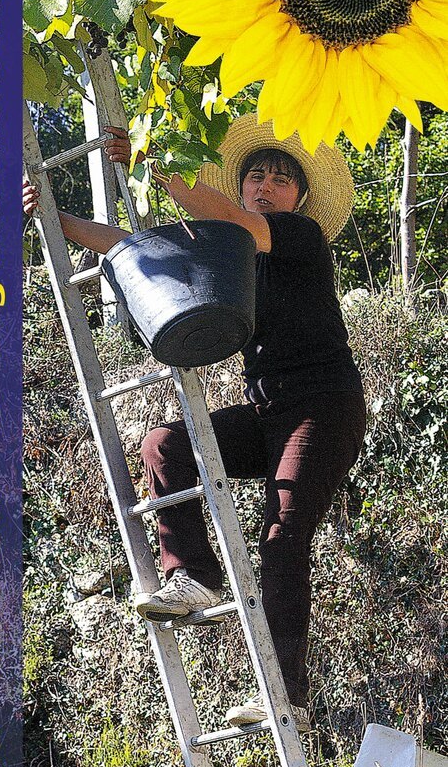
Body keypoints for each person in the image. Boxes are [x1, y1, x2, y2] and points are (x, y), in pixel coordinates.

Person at [23, 115, 365, 732]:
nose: (266, 186)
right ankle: (194, 575)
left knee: (284, 533)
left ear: (299, 197)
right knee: (165, 445)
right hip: (267, 410)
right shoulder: (230, 251)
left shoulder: (299, 236)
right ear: (241, 185)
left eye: (281, 180)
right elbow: (133, 247)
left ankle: (287, 694)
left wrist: (150, 163)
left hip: (323, 405)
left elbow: (229, 217)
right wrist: (52, 216)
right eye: (256, 176)